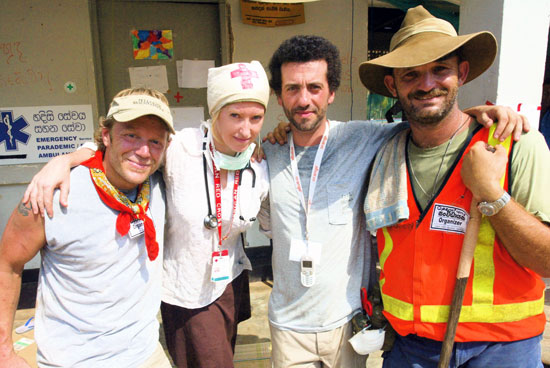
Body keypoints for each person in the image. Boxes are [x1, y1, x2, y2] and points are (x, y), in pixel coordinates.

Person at [258, 34, 530, 368]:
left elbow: (435, 121)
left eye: (314, 87)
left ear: (331, 92)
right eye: (292, 89)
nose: (304, 99)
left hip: (346, 324)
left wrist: (484, 114)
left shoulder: (365, 137)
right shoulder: (264, 154)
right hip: (287, 326)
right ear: (278, 95)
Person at [20, 61, 271, 368]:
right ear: (215, 112)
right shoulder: (180, 149)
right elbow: (112, 148)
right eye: (234, 115)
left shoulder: (259, 162)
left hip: (230, 278)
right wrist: (64, 159)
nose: (245, 129)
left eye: (255, 117)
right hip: (188, 289)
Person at [359, 5, 550, 367]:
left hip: (502, 351)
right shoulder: (381, 154)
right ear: (391, 85)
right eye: (411, 75)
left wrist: (493, 194)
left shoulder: (515, 145)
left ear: (461, 73)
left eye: (440, 70)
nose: (427, 84)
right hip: (410, 348)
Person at [0, 87, 174, 367]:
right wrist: (4, 353)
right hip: (74, 361)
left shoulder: (160, 184)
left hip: (145, 355)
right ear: (106, 136)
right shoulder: (52, 194)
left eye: (156, 141)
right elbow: (7, 265)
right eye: (131, 135)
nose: (143, 151)